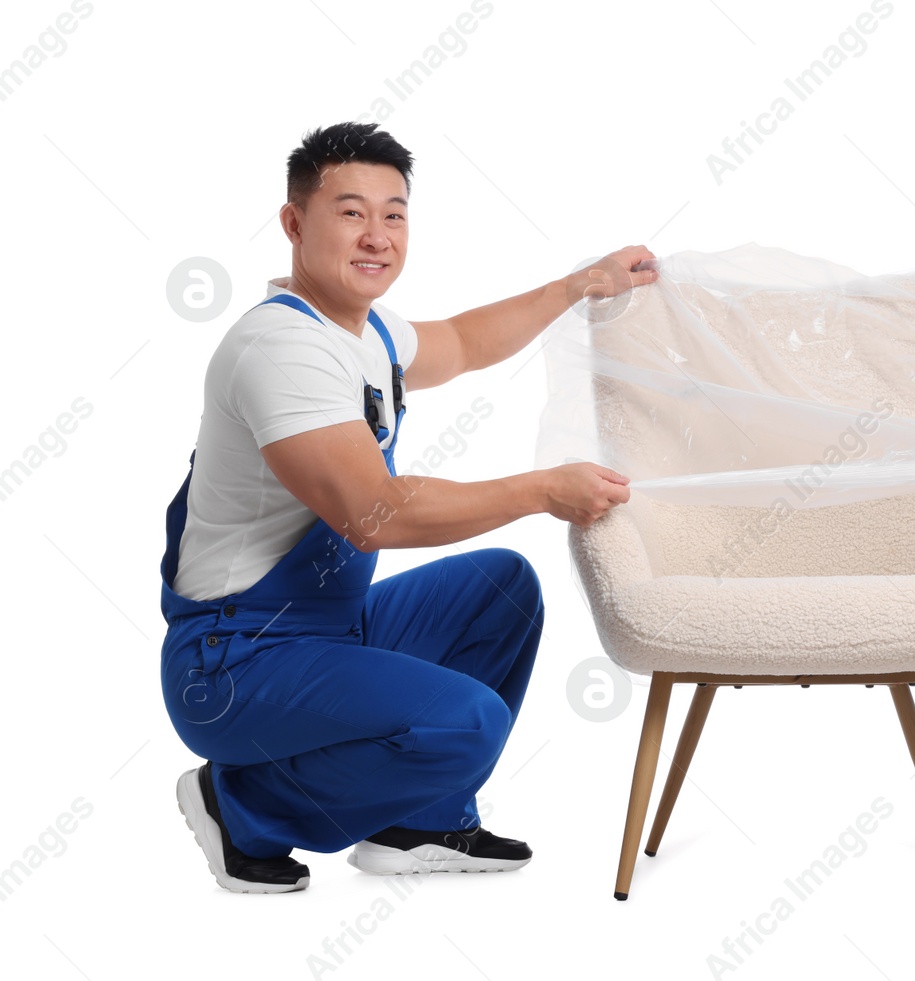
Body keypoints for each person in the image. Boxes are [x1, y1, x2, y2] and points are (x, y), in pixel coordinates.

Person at [161, 121, 654, 893]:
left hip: (326, 629)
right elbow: (376, 514)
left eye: (394, 213)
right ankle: (239, 804)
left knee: (502, 588)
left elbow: (460, 340)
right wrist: (543, 490)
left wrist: (575, 286)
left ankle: (419, 820)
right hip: (234, 660)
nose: (377, 234)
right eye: (351, 211)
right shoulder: (281, 351)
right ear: (294, 224)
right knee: (467, 720)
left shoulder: (367, 330)